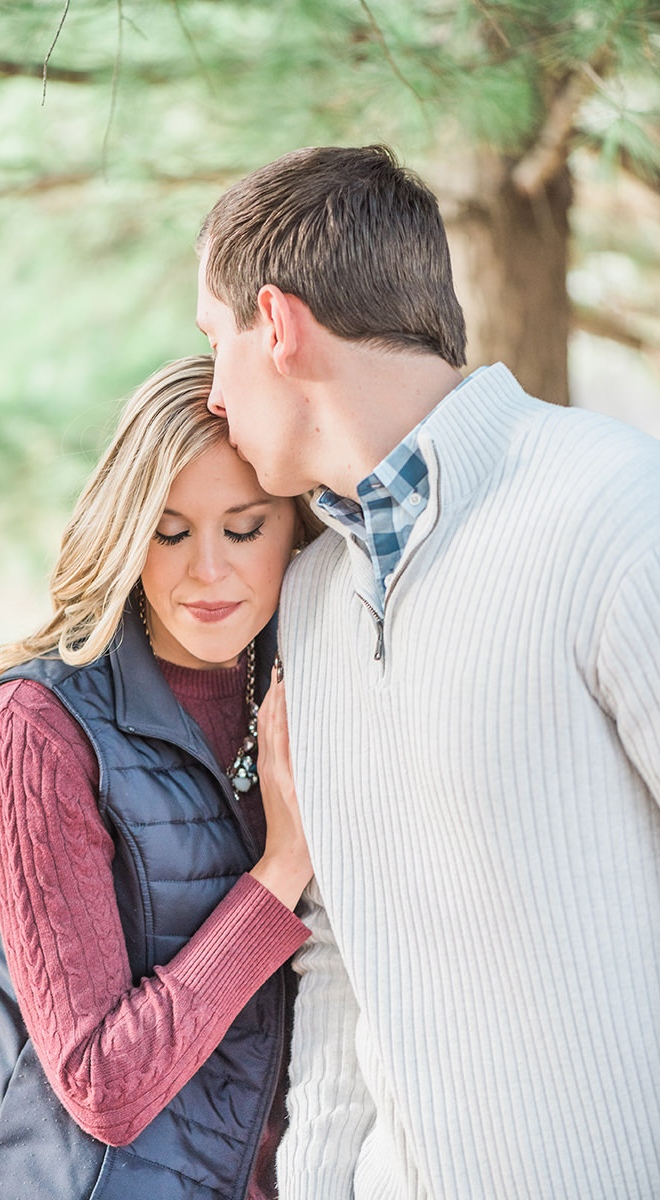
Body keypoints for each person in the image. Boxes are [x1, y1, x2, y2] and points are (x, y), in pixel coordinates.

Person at [196, 144, 660, 1199]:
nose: (214, 393)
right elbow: (340, 960)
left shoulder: (616, 510)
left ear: (278, 324)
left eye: (213, 342)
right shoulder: (310, 601)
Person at [0, 355, 321, 1200]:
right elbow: (99, 1086)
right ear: (126, 528)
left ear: (295, 526)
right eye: (170, 529)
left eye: (244, 527)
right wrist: (283, 866)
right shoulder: (39, 725)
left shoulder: (314, 683)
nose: (208, 570)